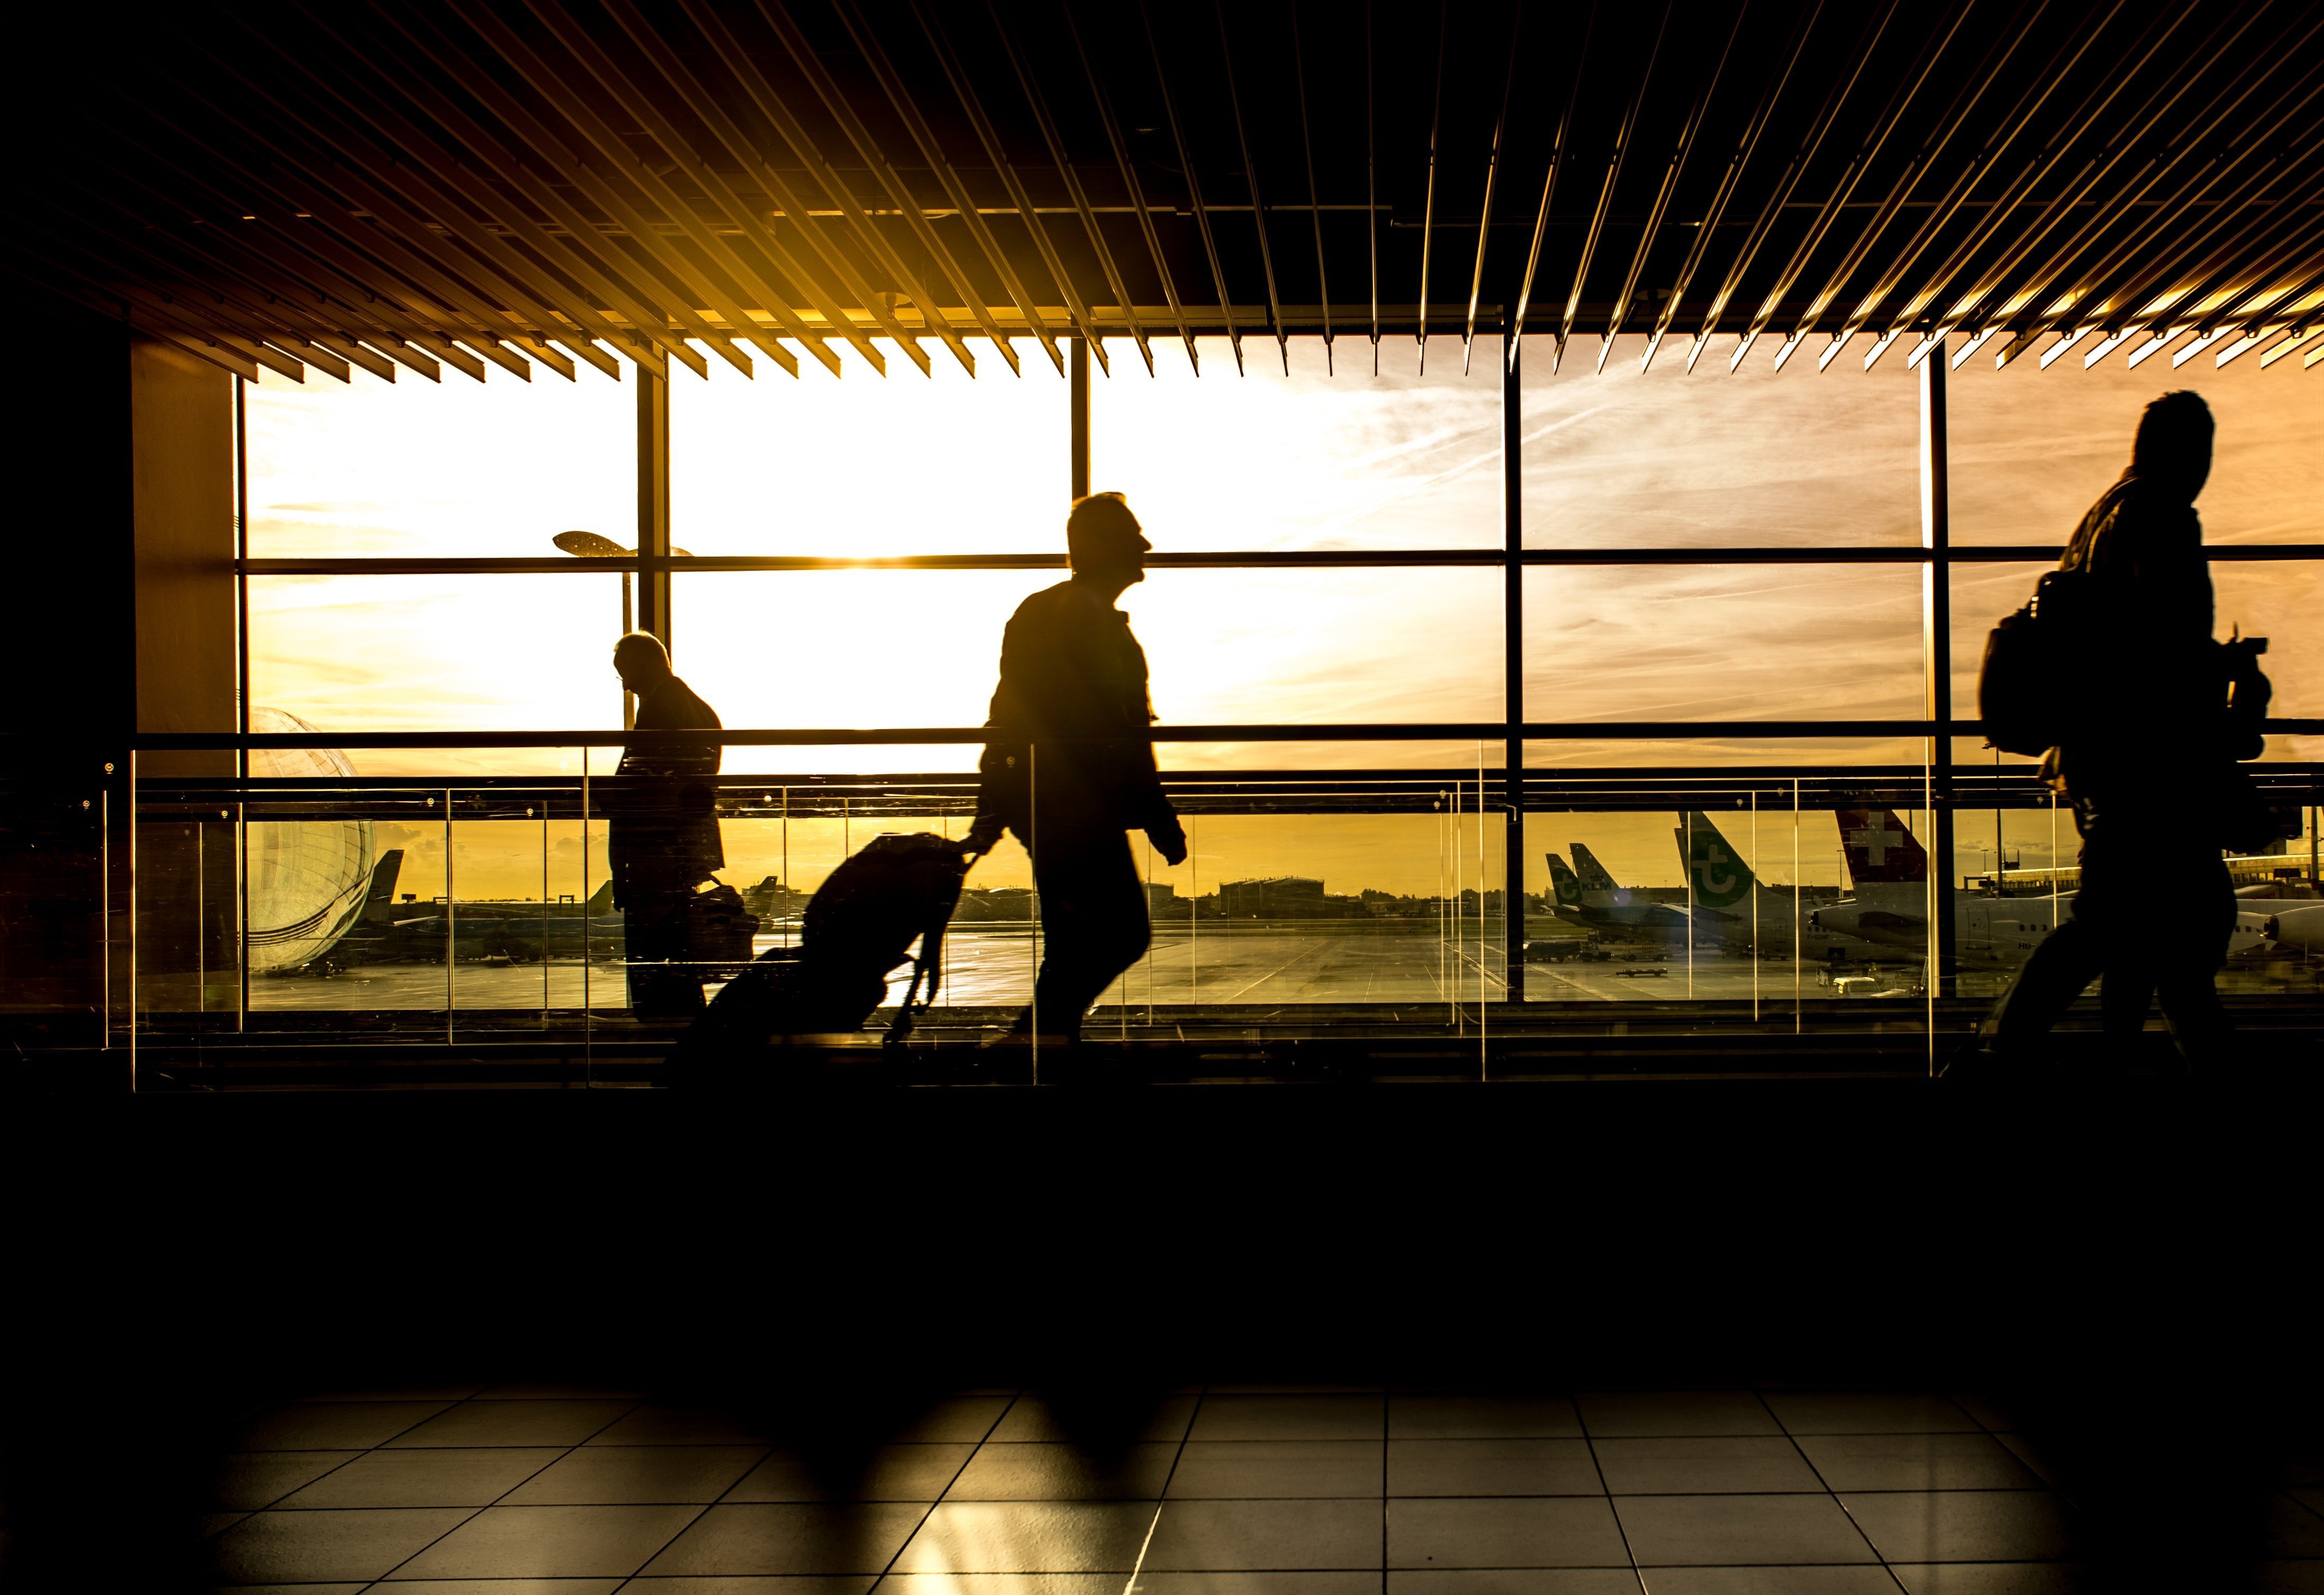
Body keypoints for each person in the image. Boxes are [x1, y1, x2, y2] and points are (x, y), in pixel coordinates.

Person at [1970, 390, 2247, 1071]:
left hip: (2099, 757)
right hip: (2147, 763)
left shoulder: (2100, 518)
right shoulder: (2162, 516)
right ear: (2190, 452)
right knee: (2149, 930)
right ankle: (1998, 1054)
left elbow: (2117, 644)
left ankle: (2023, 1054)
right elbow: (2162, 650)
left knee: (2136, 929)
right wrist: (2219, 676)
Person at [967, 492, 1188, 1046]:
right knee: (1119, 933)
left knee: (1082, 939)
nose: (1146, 544)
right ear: (1100, 547)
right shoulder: (1076, 621)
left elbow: (1013, 716)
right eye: (1133, 534)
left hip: (1060, 805)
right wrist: (1155, 813)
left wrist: (996, 804)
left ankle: (1042, 1045)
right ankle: (1036, 1042)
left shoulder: (1059, 616)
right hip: (1070, 808)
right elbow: (1119, 738)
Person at [607, 632, 724, 1019]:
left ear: (647, 663)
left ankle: (664, 1040)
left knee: (654, 962)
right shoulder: (700, 709)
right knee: (679, 960)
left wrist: (605, 796)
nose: (626, 684)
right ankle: (685, 1040)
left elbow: (645, 787)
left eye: (626, 673)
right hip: (680, 850)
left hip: (654, 852)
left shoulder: (660, 709)